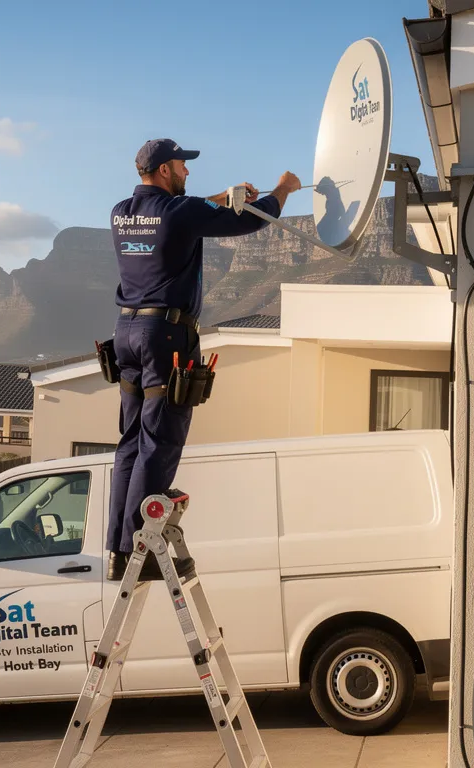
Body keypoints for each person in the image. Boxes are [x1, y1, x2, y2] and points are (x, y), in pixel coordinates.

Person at [105, 138, 301, 581]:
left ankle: (118, 550)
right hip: (165, 334)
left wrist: (221, 197)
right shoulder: (177, 213)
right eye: (181, 165)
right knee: (160, 438)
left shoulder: (121, 212)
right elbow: (250, 223)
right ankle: (142, 551)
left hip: (127, 333)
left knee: (131, 443)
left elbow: (184, 209)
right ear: (162, 171)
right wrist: (282, 189)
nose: (188, 172)